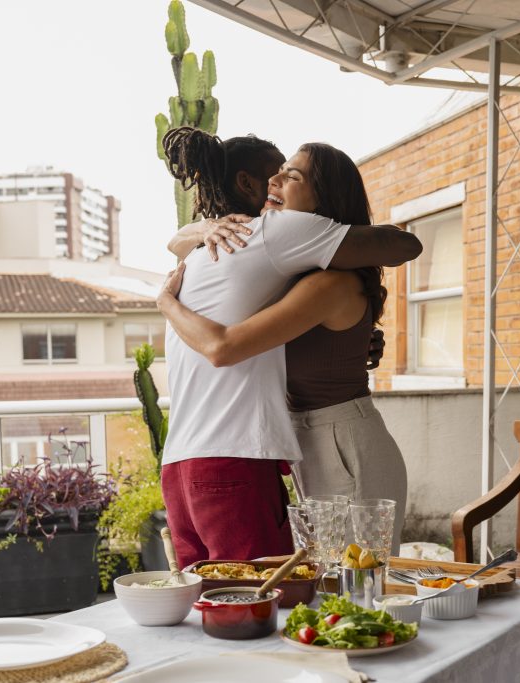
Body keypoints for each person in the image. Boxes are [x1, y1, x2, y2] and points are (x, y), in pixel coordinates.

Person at [158, 130, 413, 563]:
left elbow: (226, 346)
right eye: (273, 173)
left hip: (339, 439)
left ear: (322, 202)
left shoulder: (310, 263)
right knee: (318, 588)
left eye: (289, 175)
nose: (275, 181)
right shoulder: (274, 263)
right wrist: (202, 228)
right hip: (301, 441)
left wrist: (164, 300)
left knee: (350, 586)